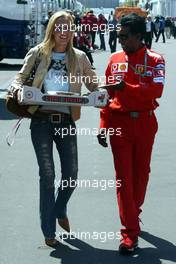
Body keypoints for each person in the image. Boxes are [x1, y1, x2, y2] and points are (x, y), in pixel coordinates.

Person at [10, 11, 98, 247]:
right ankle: (49, 231)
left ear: (72, 30)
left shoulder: (79, 56)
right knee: (47, 176)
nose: (64, 30)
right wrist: (19, 89)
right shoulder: (38, 53)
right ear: (51, 29)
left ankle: (59, 209)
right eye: (59, 26)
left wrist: (100, 91)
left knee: (71, 175)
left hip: (66, 120)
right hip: (40, 121)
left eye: (68, 26)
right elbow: (19, 78)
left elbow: (92, 82)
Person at [97, 13, 165, 254]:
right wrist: (103, 124)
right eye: (118, 36)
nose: (121, 41)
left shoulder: (156, 60)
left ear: (138, 36)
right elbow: (105, 95)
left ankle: (133, 214)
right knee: (123, 178)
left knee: (141, 175)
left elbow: (156, 90)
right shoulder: (114, 59)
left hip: (145, 124)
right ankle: (129, 233)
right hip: (119, 124)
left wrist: (128, 87)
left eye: (125, 37)